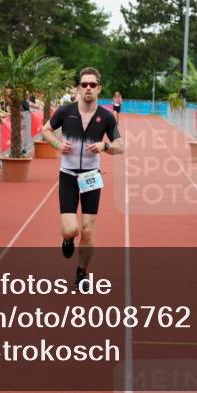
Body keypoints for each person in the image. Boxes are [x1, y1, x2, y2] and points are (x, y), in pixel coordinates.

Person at [40, 67, 124, 289]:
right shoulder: (65, 111)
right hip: (68, 175)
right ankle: (68, 239)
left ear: (99, 89)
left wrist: (105, 146)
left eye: (92, 85)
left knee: (87, 229)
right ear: (78, 88)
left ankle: (82, 272)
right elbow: (45, 130)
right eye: (84, 84)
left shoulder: (106, 117)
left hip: (91, 177)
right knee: (71, 229)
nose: (88, 88)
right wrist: (57, 144)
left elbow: (121, 146)